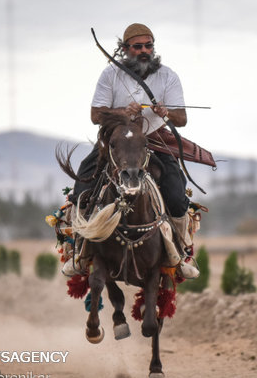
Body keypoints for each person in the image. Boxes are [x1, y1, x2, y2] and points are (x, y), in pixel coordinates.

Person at [71, 23, 199, 279]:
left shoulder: (167, 76)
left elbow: (182, 118)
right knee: (81, 191)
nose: (144, 51)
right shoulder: (110, 75)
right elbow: (96, 115)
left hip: (153, 141)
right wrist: (121, 113)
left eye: (148, 46)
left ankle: (181, 253)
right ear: (125, 49)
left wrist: (166, 112)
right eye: (137, 46)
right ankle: (79, 251)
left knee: (175, 195)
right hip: (117, 143)